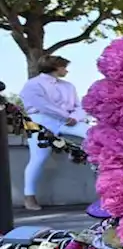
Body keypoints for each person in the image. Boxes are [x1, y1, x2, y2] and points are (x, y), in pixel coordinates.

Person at [18, 56, 88, 211]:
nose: (66, 70)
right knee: (38, 158)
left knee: (93, 134)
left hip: (68, 121)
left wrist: (75, 117)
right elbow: (42, 105)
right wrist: (66, 116)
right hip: (39, 122)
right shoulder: (33, 84)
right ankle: (29, 197)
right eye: (64, 67)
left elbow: (79, 106)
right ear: (55, 67)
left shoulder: (69, 86)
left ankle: (79, 156)